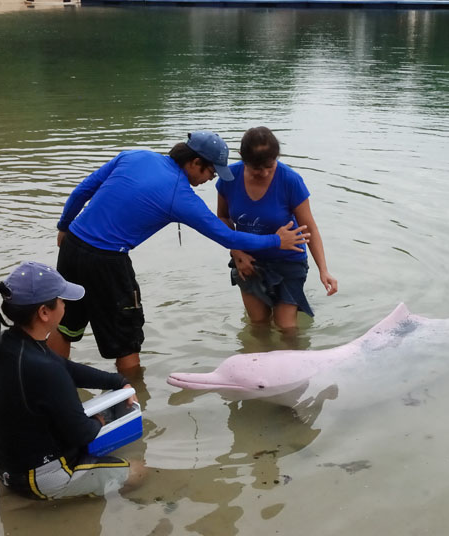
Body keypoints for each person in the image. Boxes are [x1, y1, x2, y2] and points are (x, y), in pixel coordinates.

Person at [48, 130, 310, 372]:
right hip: (107, 262)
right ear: (195, 163)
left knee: (66, 323)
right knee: (126, 340)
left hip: (72, 246)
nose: (209, 180)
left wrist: (64, 226)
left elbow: (83, 189)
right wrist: (277, 241)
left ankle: (53, 381)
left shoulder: (134, 155)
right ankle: (135, 404)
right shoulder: (180, 196)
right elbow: (226, 235)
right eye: (210, 173)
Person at [0, 261, 144, 500]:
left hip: (6, 467)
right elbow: (82, 433)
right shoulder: (44, 369)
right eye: (60, 299)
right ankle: (47, 499)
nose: (65, 304)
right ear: (44, 312)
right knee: (139, 471)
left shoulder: (6, 342)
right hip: (41, 478)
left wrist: (118, 381)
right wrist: (99, 421)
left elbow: (66, 367)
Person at [216, 126, 337, 330]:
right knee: (258, 325)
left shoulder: (290, 180)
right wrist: (236, 252)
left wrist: (323, 270)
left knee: (287, 327)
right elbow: (222, 217)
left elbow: (310, 229)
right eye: (256, 168)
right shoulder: (230, 178)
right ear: (242, 158)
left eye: (269, 167)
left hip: (288, 260)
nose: (263, 173)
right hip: (248, 261)